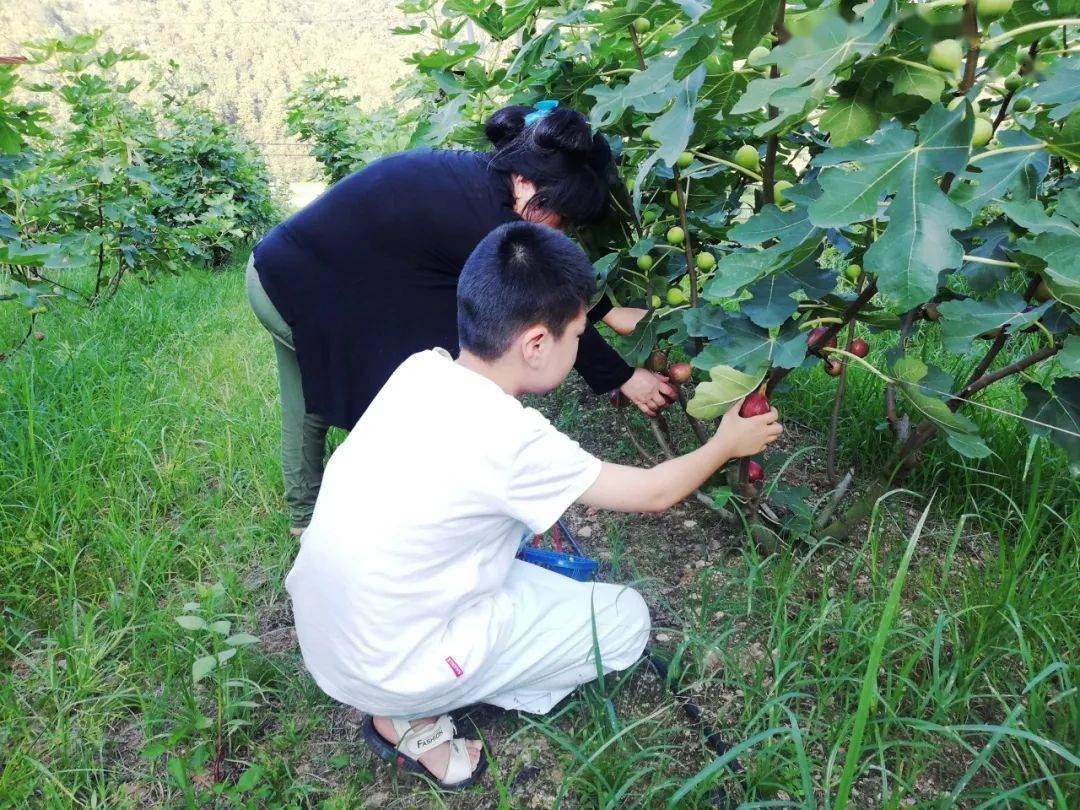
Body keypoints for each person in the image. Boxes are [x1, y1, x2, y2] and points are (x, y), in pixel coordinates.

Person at [284, 222, 783, 790]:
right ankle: (411, 717)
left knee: (542, 587)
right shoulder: (511, 438)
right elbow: (654, 492)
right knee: (625, 619)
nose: (580, 346)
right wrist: (725, 445)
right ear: (537, 344)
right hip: (389, 666)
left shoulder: (420, 369)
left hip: (331, 634)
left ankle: (417, 686)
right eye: (576, 335)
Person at [247, 102, 674, 536]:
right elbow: (546, 307)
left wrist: (608, 311)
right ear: (526, 181)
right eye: (559, 216)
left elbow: (544, 267)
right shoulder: (483, 217)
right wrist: (621, 376)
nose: (558, 231)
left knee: (311, 396)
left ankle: (307, 522)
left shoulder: (482, 182)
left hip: (286, 267)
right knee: (404, 400)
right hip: (300, 285)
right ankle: (397, 517)